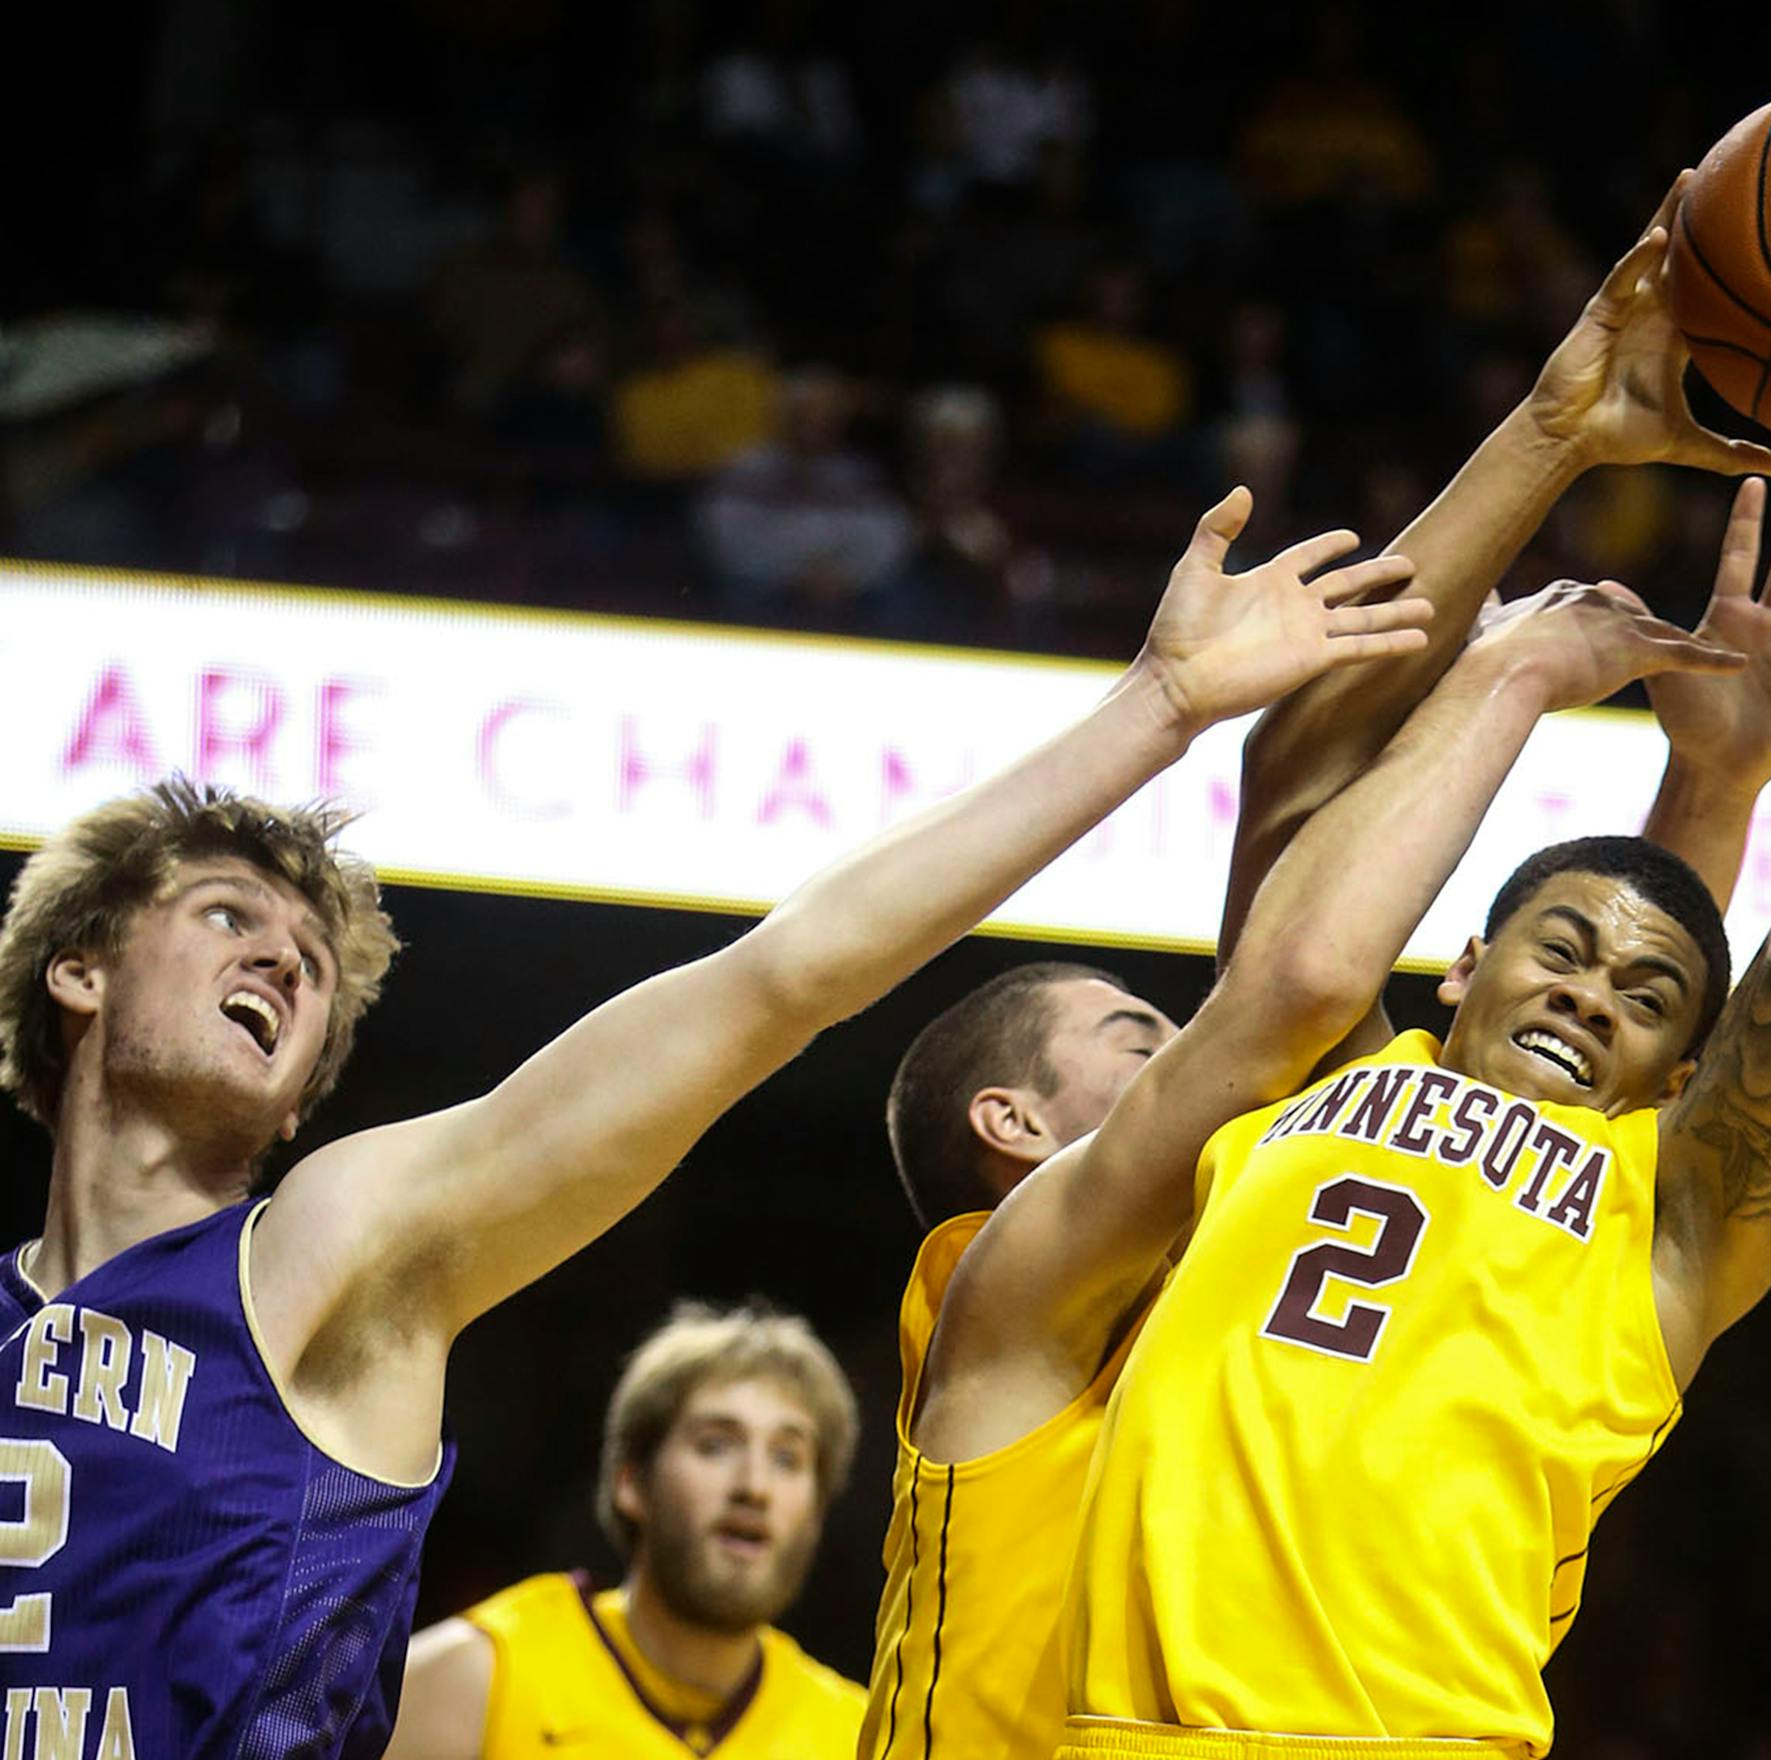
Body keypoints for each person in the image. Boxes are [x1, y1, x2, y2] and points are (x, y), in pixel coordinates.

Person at [0, 491, 1430, 1759]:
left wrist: (1161, 708)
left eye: (312, 963)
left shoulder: (331, 1248)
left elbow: (778, 981)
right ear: (80, 967)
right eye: (227, 917)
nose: (283, 962)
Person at [858, 176, 1771, 1760]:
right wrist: (1508, 670)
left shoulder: (1296, 1223)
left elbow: (1573, 1123)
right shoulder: (1006, 1289)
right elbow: (1295, 886)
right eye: (1141, 1031)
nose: (1195, 1041)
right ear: (1015, 1131)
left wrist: (1704, 775)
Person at [1053, 258, 1771, 1758]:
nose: (1588, 994)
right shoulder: (1307, 1058)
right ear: (1459, 967)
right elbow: (1306, 755)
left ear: (1678, 1073)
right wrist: (1554, 430)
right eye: (1557, 950)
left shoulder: (1674, 1218)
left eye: (1644, 999)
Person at [387, 1302, 864, 1757]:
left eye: (787, 1458)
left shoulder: (860, 1736)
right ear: (632, 1482)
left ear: (816, 1513)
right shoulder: (481, 1676)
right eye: (716, 1445)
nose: (755, 1486)